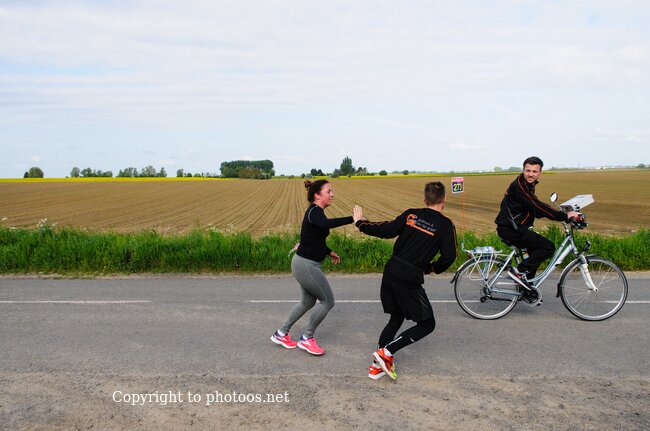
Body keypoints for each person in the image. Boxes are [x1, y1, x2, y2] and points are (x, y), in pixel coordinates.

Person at [353, 181, 457, 380]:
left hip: (391, 271)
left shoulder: (411, 215)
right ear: (444, 199)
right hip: (409, 278)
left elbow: (386, 230)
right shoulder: (445, 225)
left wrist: (361, 223)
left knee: (396, 317)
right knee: (427, 324)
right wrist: (431, 268)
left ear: (425, 199)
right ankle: (386, 352)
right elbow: (449, 256)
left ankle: (376, 367)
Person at [270, 179, 356, 356]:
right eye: (328, 191)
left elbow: (313, 240)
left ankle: (281, 333)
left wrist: (329, 252)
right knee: (327, 301)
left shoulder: (316, 213)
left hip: (304, 263)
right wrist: (352, 219)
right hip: (306, 265)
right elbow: (324, 225)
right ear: (317, 195)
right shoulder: (314, 212)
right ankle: (307, 338)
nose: (332, 194)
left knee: (307, 302)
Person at [495, 156, 580, 292]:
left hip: (514, 227)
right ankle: (519, 272)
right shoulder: (520, 186)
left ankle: (526, 289)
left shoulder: (527, 185)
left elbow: (533, 209)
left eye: (534, 171)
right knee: (548, 247)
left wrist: (560, 213)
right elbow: (537, 205)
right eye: (528, 170)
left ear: (539, 172)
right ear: (523, 170)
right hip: (511, 228)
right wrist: (563, 216)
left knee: (534, 253)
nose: (531, 174)